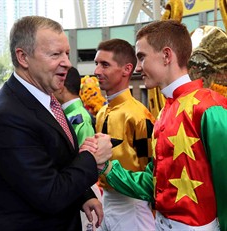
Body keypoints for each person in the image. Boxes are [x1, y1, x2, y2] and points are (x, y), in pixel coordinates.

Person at [85, 20, 227, 230]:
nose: (138, 67)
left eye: (142, 57)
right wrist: (106, 167)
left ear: (167, 55)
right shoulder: (163, 113)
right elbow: (153, 184)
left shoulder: (210, 107)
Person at [0, 15, 112, 231]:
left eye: (67, 53)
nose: (67, 63)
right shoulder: (9, 116)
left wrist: (84, 195)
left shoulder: (46, 100)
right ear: (23, 57)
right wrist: (92, 157)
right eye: (55, 54)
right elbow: (49, 194)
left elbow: (58, 162)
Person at [94, 38, 156, 231]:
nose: (97, 71)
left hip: (133, 205)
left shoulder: (138, 114)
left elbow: (152, 170)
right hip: (107, 200)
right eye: (97, 64)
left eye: (105, 65)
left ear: (127, 69)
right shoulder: (102, 112)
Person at [54, 66, 102, 231]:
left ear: (61, 86)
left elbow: (86, 159)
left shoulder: (80, 117)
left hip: (82, 187)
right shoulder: (67, 114)